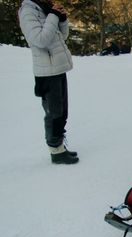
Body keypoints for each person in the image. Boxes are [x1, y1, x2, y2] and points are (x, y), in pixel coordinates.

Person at [19, 0, 79, 164]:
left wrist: (63, 19)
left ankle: (59, 147)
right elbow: (40, 40)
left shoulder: (44, 9)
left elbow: (62, 36)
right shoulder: (28, 12)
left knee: (62, 112)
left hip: (58, 67)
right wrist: (53, 15)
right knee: (54, 113)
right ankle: (56, 151)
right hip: (46, 71)